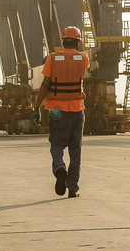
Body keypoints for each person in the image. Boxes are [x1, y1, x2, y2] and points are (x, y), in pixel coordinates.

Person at [34, 26, 90, 198]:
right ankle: (73, 188)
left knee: (57, 145)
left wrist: (36, 107)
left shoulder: (52, 58)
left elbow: (45, 84)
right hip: (77, 110)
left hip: (57, 111)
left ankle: (59, 168)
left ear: (63, 42)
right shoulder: (83, 58)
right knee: (75, 151)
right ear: (78, 43)